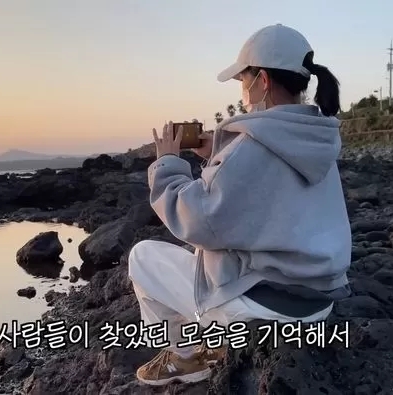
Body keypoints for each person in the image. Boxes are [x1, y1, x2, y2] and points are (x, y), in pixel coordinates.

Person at [128, 23, 353, 386]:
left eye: (243, 82)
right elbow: (264, 190)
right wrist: (218, 153)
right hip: (318, 304)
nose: (244, 94)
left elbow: (197, 222)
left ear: (261, 81)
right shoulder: (316, 138)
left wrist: (168, 164)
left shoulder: (251, 147)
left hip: (266, 308)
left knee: (143, 257)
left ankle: (185, 359)